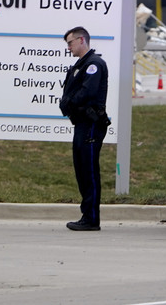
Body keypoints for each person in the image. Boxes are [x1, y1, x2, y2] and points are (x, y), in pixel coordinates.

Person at [59, 26, 110, 231]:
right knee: (81, 169)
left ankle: (91, 218)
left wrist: (68, 102)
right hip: (81, 124)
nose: (69, 47)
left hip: (90, 125)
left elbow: (87, 92)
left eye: (70, 43)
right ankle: (86, 214)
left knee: (89, 171)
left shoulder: (94, 64)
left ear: (81, 40)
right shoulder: (80, 65)